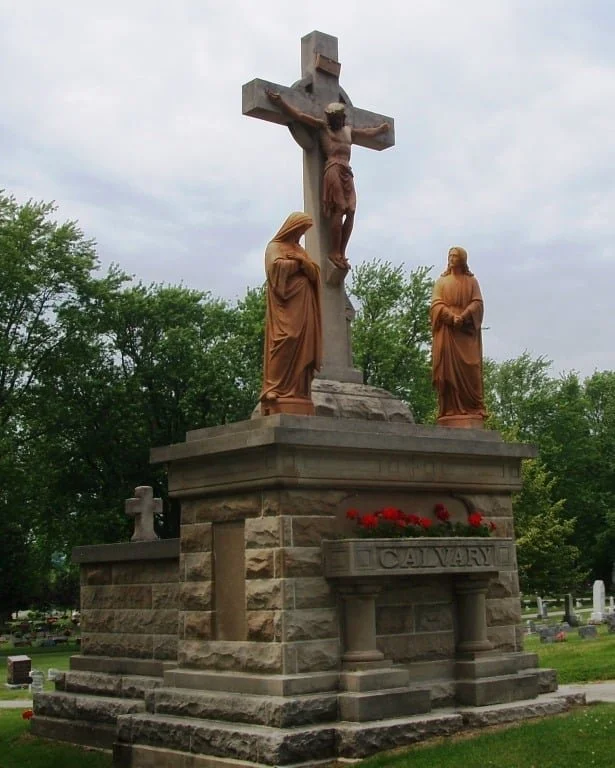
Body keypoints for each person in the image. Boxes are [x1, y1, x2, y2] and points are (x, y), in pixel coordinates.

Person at [266, 91, 389, 270]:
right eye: (336, 118)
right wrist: (281, 103)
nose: (338, 121)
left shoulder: (348, 131)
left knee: (351, 210)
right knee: (338, 210)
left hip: (347, 171)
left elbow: (367, 132)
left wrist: (381, 129)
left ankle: (341, 251)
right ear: (331, 118)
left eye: (340, 118)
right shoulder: (324, 127)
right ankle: (333, 252)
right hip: (333, 169)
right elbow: (299, 116)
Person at [260, 212, 322, 415]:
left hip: (304, 304)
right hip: (284, 304)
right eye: (301, 230)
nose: (302, 234)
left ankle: (299, 391)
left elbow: (314, 273)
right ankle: (273, 388)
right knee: (286, 339)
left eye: (304, 231)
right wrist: (297, 264)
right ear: (292, 228)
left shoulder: (299, 250)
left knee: (303, 342)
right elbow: (274, 269)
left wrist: (303, 263)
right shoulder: (274, 247)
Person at [430, 247, 486, 425]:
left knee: (471, 370)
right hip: (447, 332)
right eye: (450, 256)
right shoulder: (441, 282)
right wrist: (450, 317)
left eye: (455, 256)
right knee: (447, 372)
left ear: (462, 259)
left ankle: (471, 408)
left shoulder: (471, 282)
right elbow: (435, 305)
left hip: (465, 332)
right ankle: (449, 410)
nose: (452, 259)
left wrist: (464, 316)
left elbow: (477, 303)